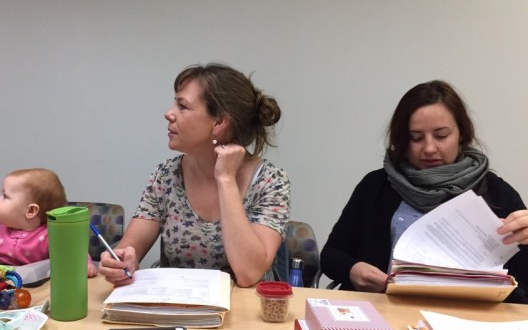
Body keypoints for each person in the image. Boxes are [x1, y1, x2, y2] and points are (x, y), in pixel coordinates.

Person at [320, 80, 528, 303]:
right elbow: (331, 255)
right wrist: (352, 269)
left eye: (441, 136)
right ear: (401, 139)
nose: (429, 148)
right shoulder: (376, 185)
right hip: (382, 310)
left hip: (469, 316)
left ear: (462, 134)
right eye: (416, 138)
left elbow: (522, 285)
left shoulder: (496, 193)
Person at [99, 63, 291, 288]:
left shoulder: (271, 181)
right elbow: (129, 248)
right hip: (175, 303)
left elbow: (249, 274)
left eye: (182, 106)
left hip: (244, 309)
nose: (168, 114)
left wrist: (226, 180)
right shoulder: (166, 175)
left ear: (219, 122)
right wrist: (122, 260)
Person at [0, 168, 98, 278]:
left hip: (41, 290)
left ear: (31, 211)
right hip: (7, 288)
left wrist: (84, 265)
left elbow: (72, 252)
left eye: (5, 196)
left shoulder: (50, 235)